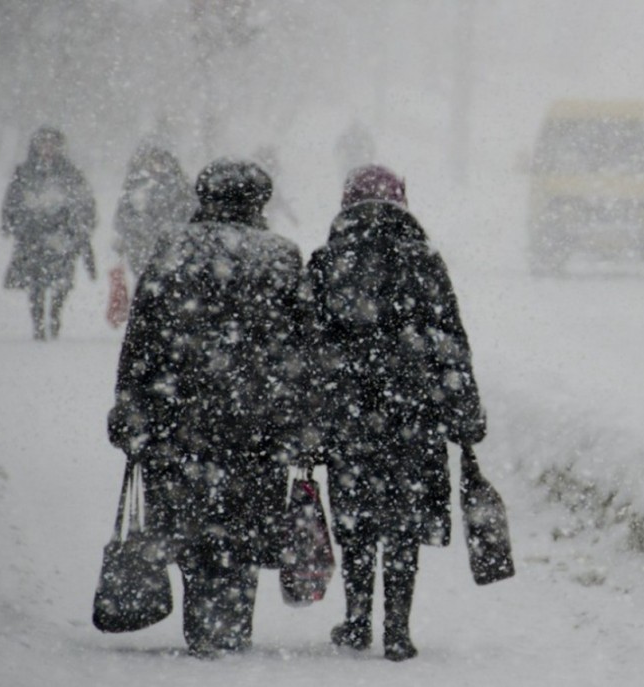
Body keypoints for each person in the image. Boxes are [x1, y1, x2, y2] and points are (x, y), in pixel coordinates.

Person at [107, 159, 306, 659]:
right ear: (261, 200)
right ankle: (233, 621)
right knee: (243, 524)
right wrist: (299, 415)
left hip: (180, 417)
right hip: (257, 423)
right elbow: (300, 346)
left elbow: (143, 338)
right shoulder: (281, 257)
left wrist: (131, 405)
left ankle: (201, 622)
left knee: (190, 521)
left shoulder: (174, 249)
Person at [304, 164, 486, 661]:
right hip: (414, 412)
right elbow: (451, 341)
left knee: (356, 518)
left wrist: (308, 416)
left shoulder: (328, 261)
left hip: (349, 414)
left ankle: (358, 619)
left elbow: (308, 345)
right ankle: (399, 629)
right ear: (402, 202)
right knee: (403, 521)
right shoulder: (424, 260)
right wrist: (465, 411)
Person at [0, 126, 97, 340]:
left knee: (61, 282)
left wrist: (77, 227)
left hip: (61, 234)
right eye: (42, 143)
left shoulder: (70, 172)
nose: (47, 147)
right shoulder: (24, 171)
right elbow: (12, 199)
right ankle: (38, 322)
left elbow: (84, 202)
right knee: (35, 283)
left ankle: (54, 314)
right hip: (31, 236)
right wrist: (11, 222)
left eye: (51, 143)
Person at [113, 141, 197, 278]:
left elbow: (191, 212)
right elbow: (122, 216)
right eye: (152, 160)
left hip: (171, 250)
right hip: (143, 250)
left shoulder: (180, 185)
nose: (156, 165)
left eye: (160, 160)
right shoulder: (136, 184)